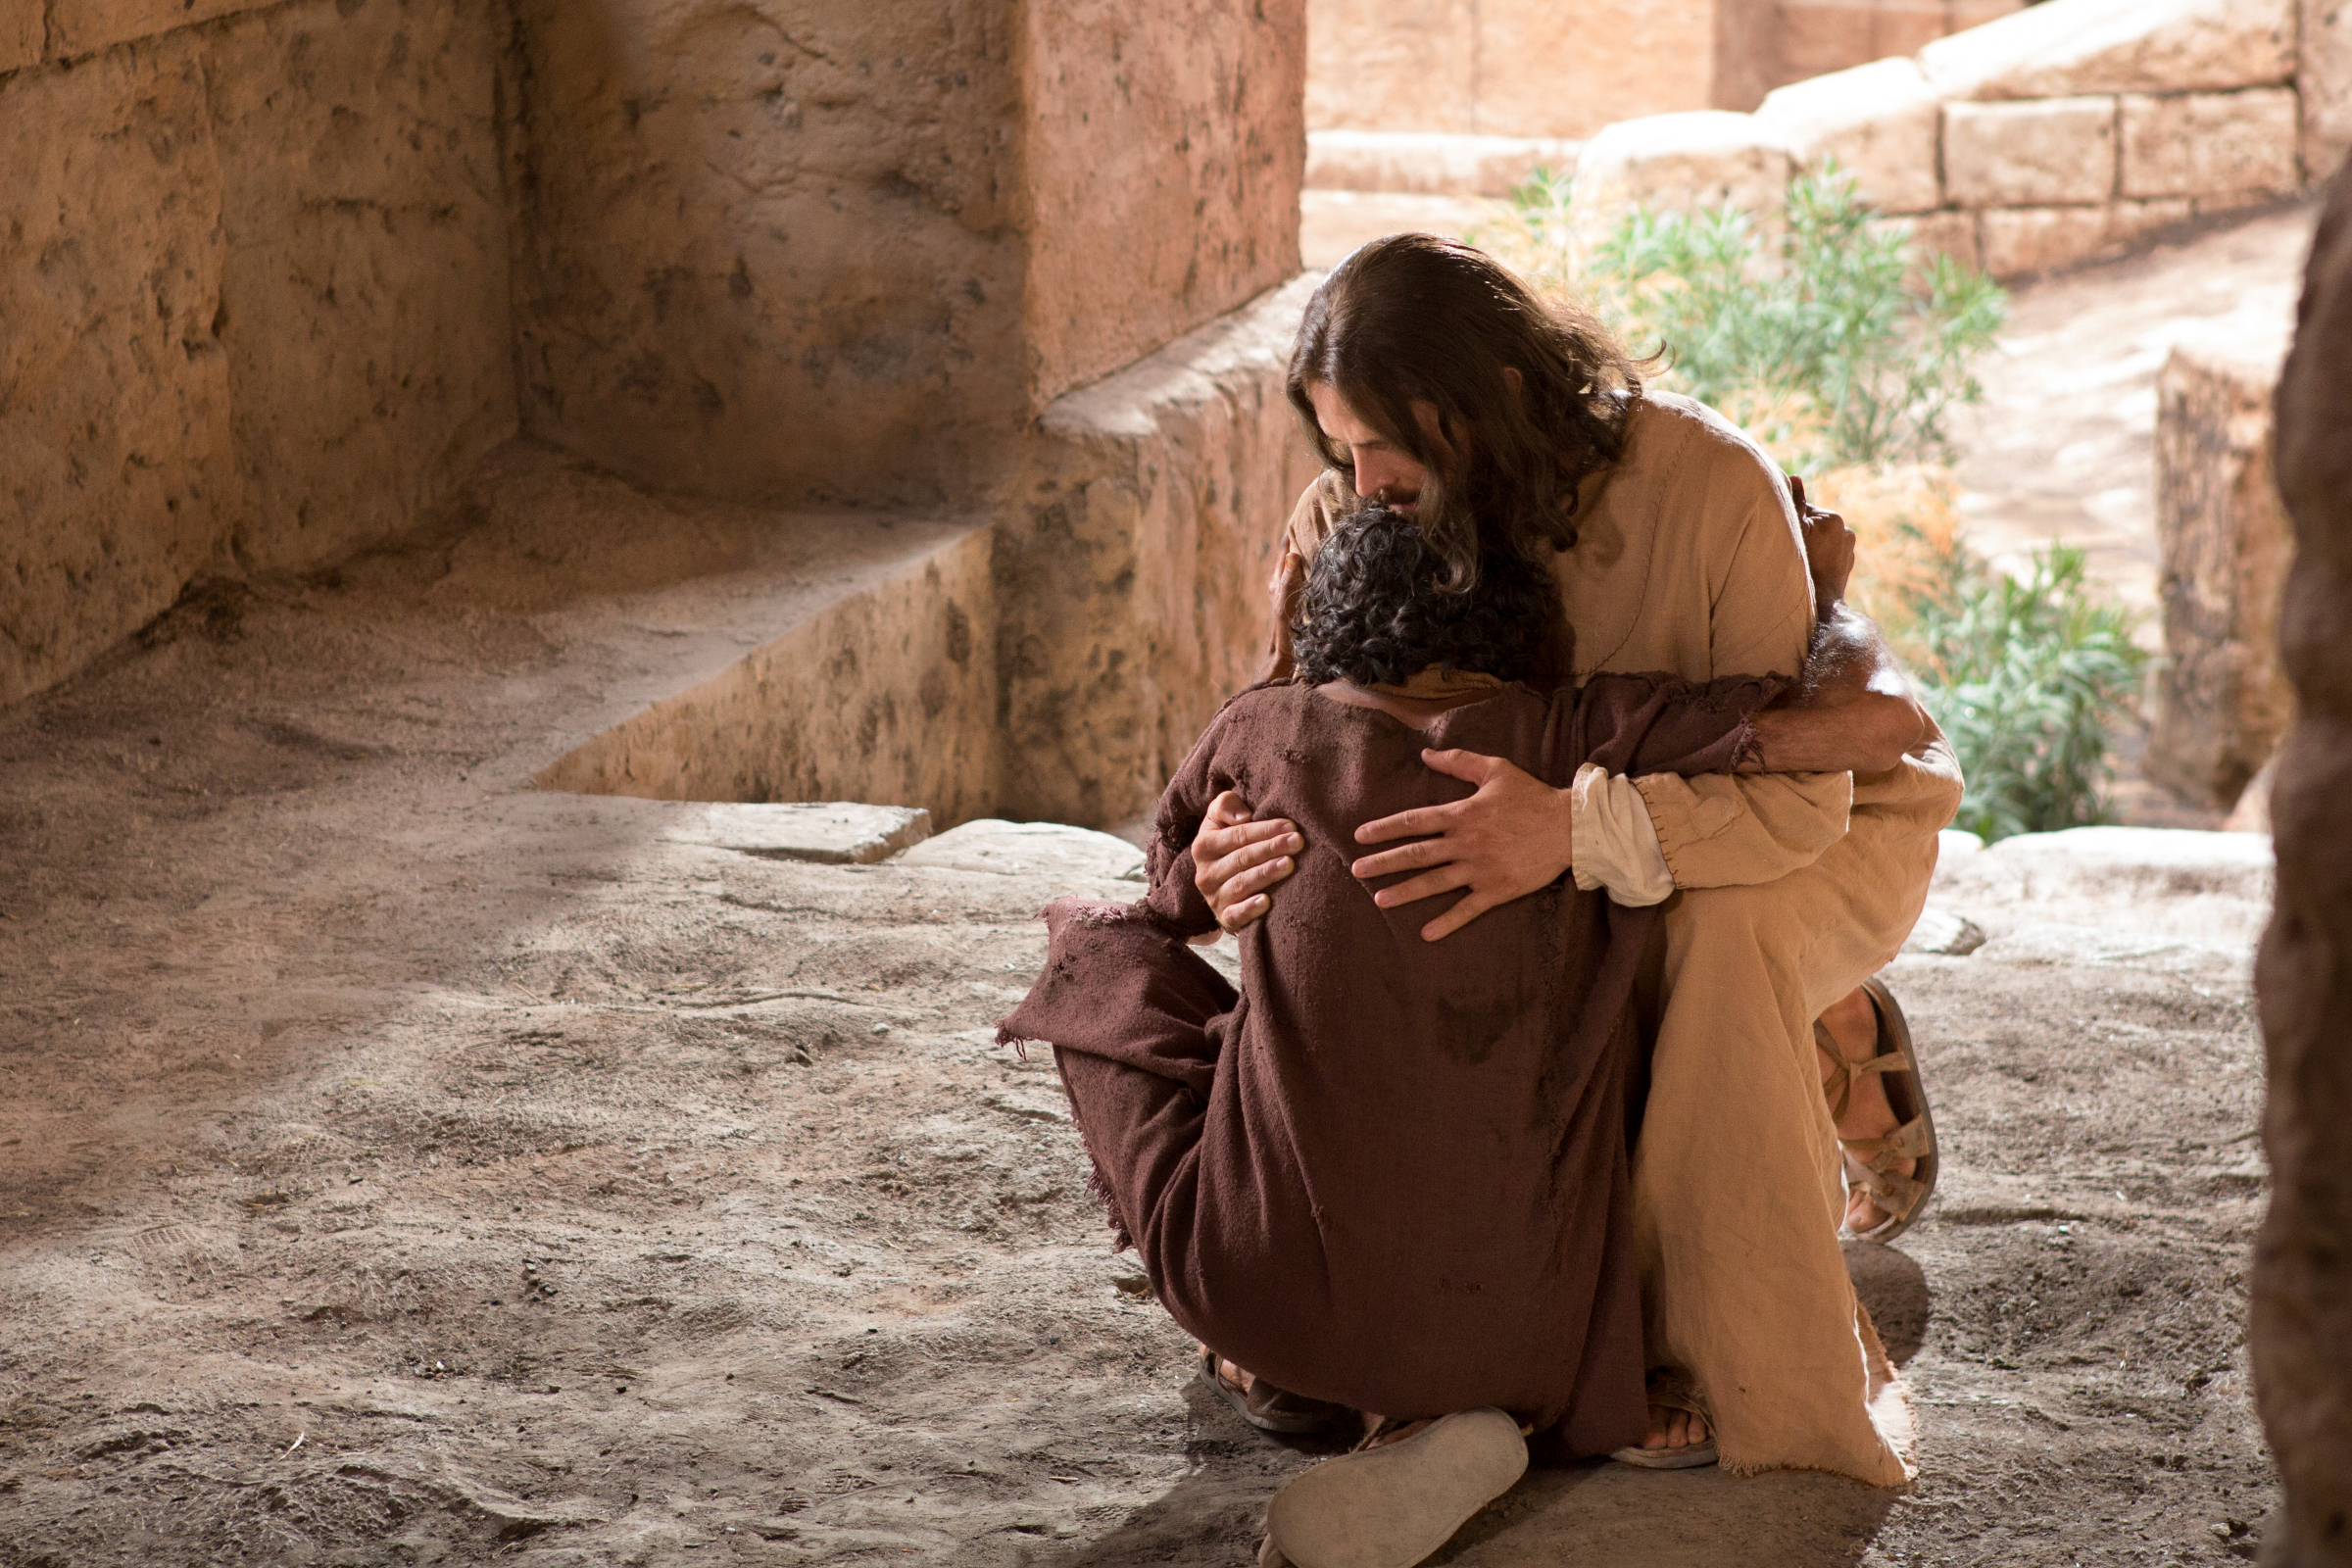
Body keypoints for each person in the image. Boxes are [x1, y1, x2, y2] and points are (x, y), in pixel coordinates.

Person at [1000, 503, 1927, 1568]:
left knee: (1093, 947)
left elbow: (1161, 909)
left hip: (1265, 1296)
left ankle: (1297, 1373)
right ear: (1524, 619)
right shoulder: (1576, 732)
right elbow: (1878, 730)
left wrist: (1215, 853)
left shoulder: (1256, 732)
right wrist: (1827, 598)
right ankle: (1496, 1409)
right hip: (1544, 1338)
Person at [1189, 235, 1963, 1485]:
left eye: (1388, 440)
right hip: (1509, 843)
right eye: (1340, 445)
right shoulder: (1354, 503)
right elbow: (1314, 740)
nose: (1361, 480)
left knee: (1708, 942)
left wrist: (1572, 830)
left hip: (1787, 827)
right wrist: (1235, 850)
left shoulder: (1708, 483)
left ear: (1493, 391)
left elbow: (1797, 802)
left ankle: (1680, 1347)